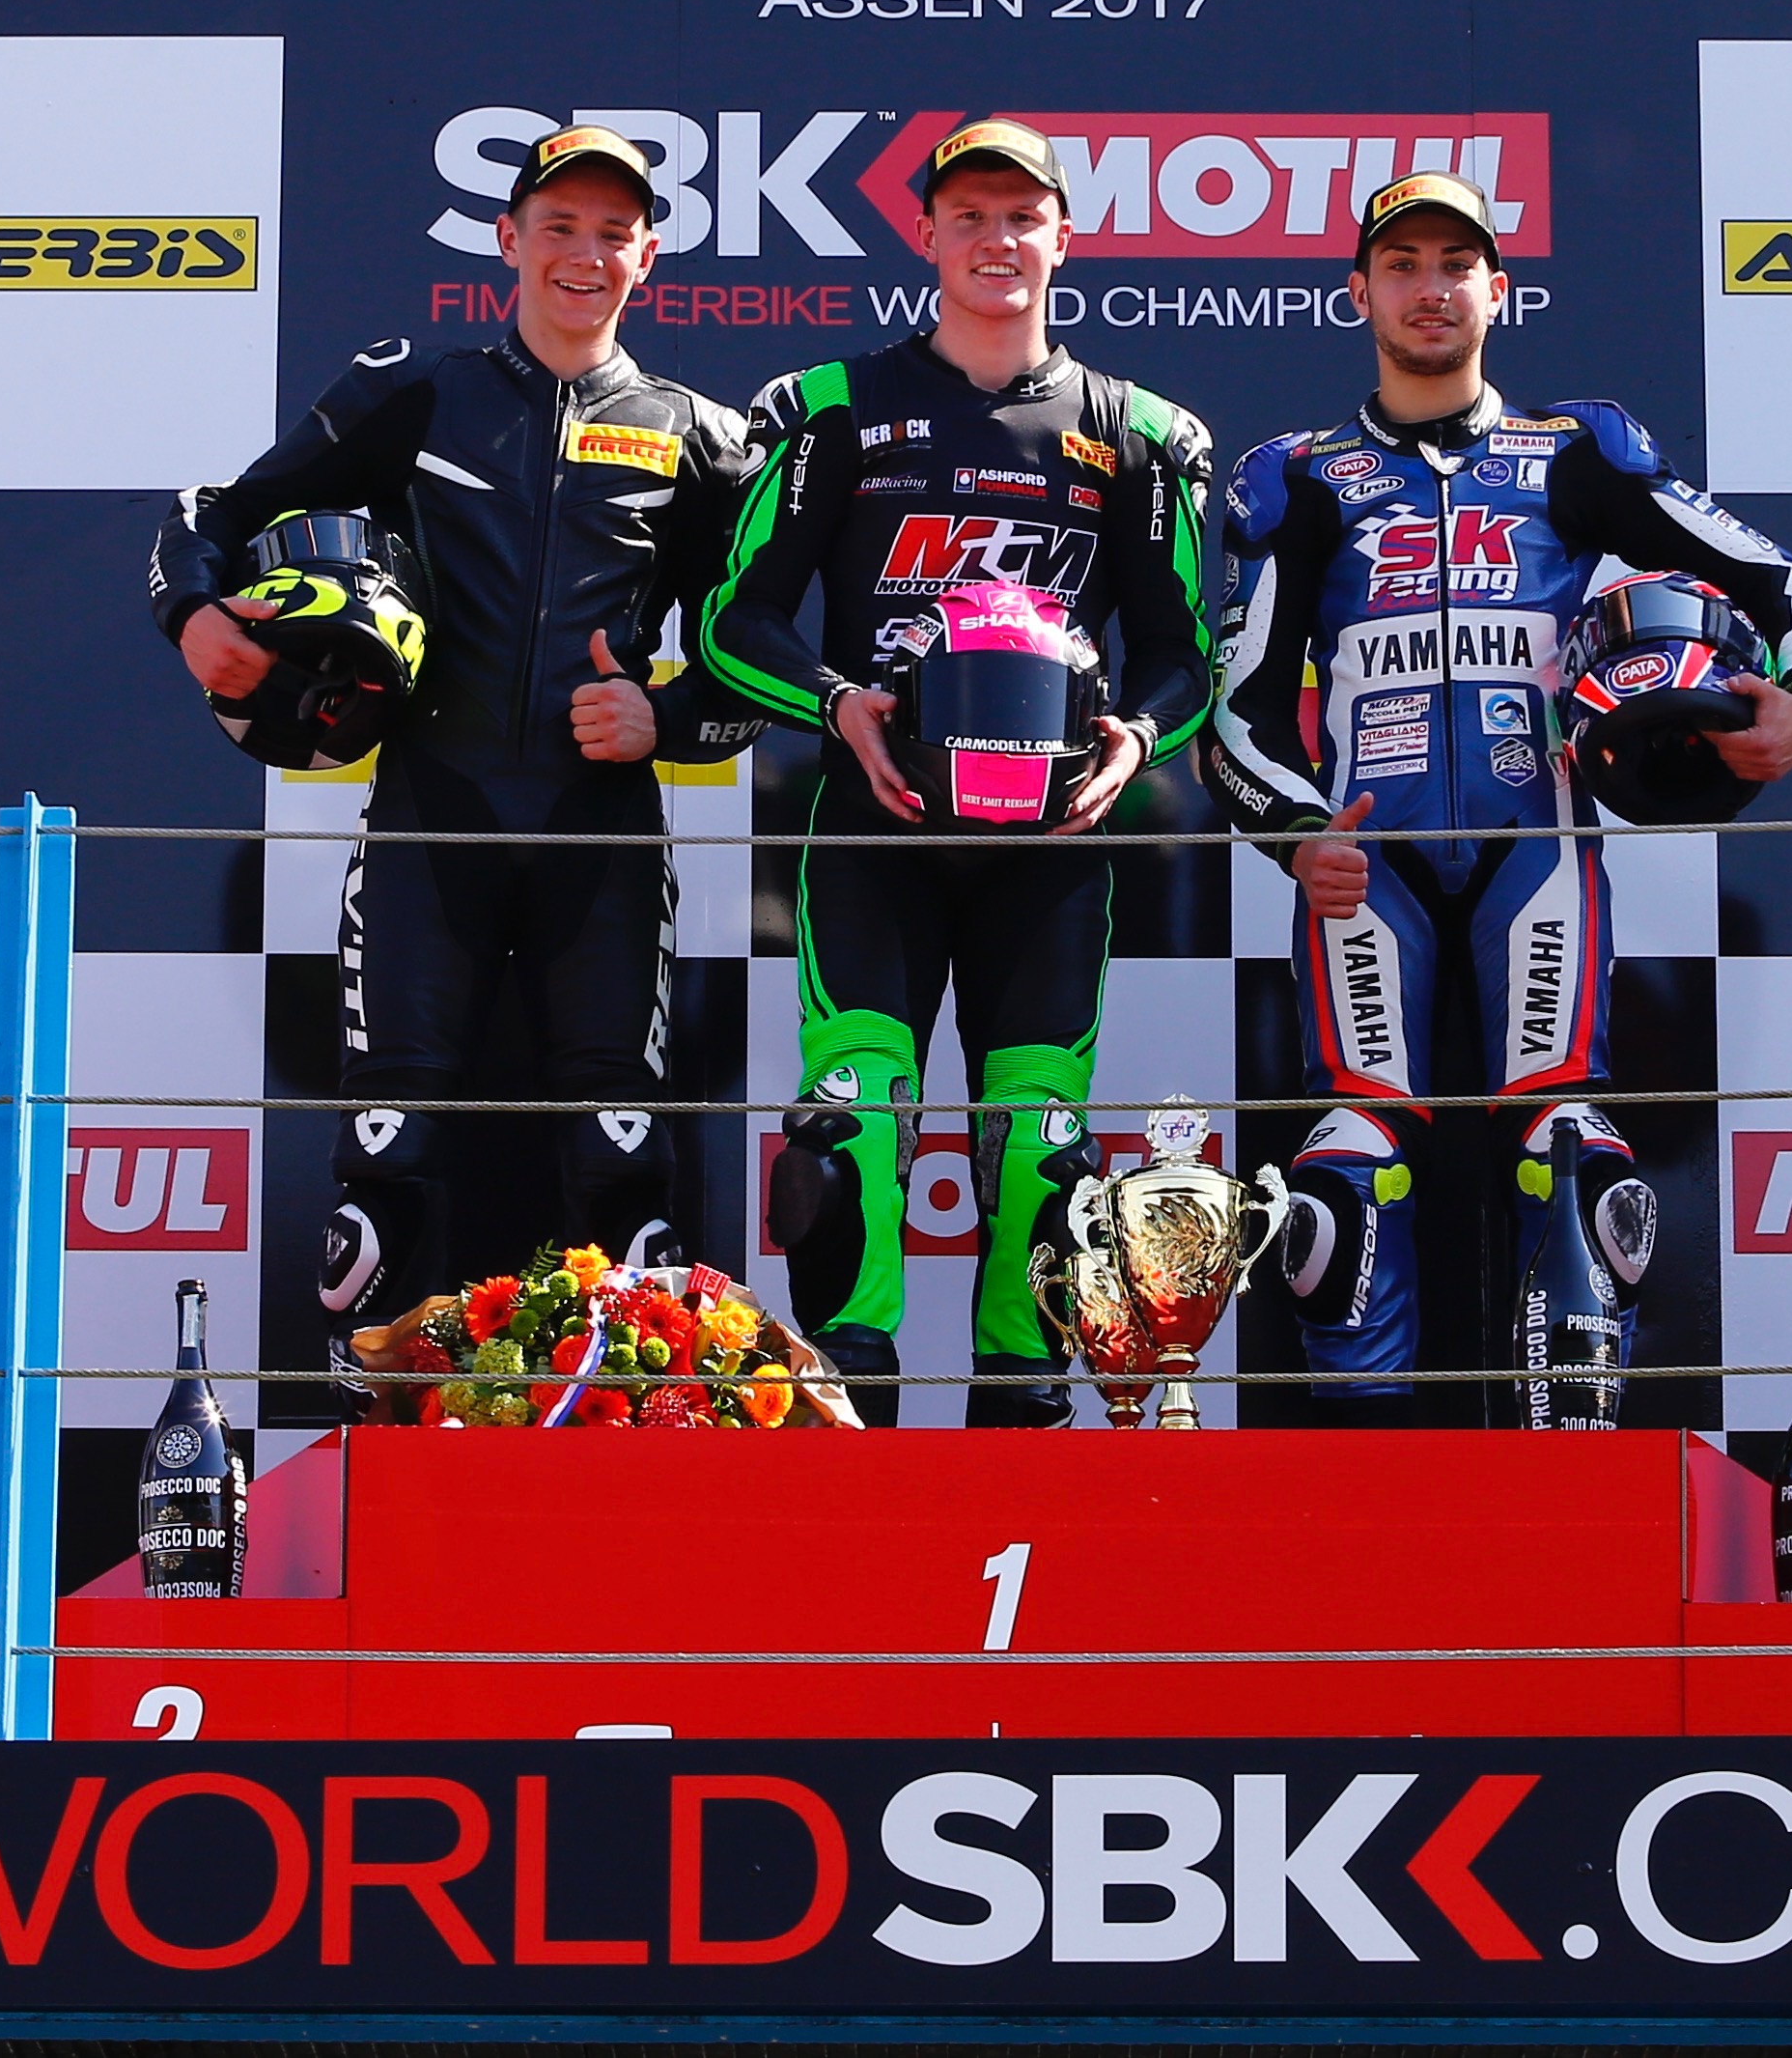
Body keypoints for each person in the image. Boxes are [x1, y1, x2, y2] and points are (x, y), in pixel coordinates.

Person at [1207, 170, 1792, 1426]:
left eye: (1457, 264)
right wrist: (1293, 836)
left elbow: (1787, 586)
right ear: (1358, 293)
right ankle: (1367, 1480)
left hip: (1538, 846)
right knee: (1341, 1183)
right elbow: (1237, 711)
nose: (1431, 288)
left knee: (1573, 1156)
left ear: (1497, 291)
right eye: (1403, 265)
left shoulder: (1572, 454)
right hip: (1367, 860)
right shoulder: (1300, 477)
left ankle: (1571, 1461)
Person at [150, 125, 762, 1380]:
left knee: (622, 1153)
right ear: (507, 239)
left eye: (614, 233)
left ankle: (635, 1432)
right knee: (389, 1146)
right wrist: (195, 616)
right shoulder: (418, 391)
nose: (585, 255)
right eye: (560, 227)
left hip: (599, 829)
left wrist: (669, 718)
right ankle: (369, 1433)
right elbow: (213, 514)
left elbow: (762, 656)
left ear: (648, 257)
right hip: (430, 815)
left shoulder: (698, 434)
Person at [698, 119, 1217, 1424]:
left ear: (1064, 237)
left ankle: (1022, 1422)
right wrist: (840, 705)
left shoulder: (1140, 434)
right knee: (844, 1132)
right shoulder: (832, 405)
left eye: (1022, 215)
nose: (998, 239)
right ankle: (845, 1414)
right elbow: (732, 621)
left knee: (1043, 1151)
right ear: (924, 232)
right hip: (871, 823)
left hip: (1052, 848)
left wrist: (1135, 739)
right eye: (970, 215)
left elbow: (1184, 655)